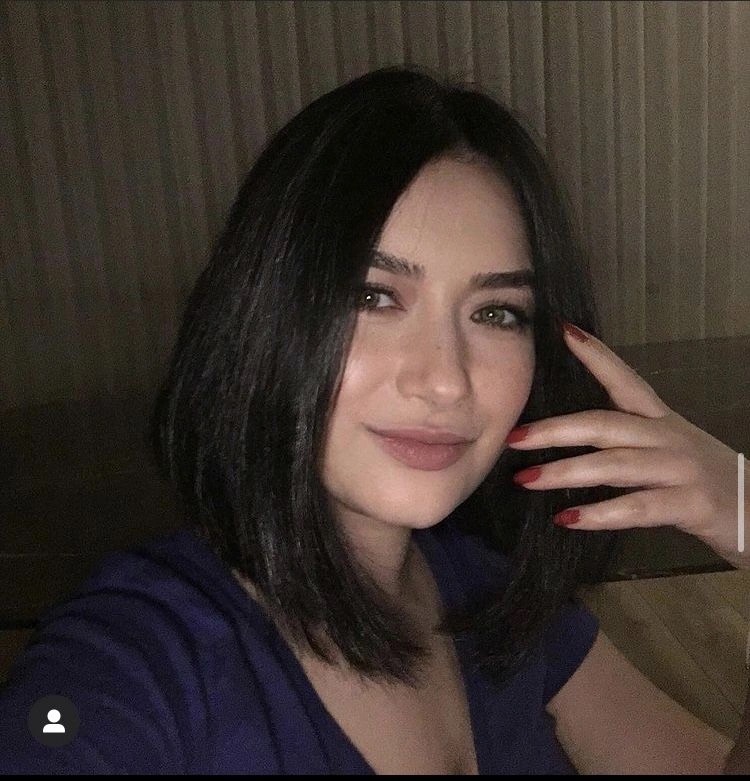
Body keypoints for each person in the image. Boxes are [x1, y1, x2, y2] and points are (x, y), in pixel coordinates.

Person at [0, 65, 746, 774]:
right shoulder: (138, 660)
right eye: (374, 297)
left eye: (496, 312)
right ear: (265, 312)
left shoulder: (491, 594)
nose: (445, 379)